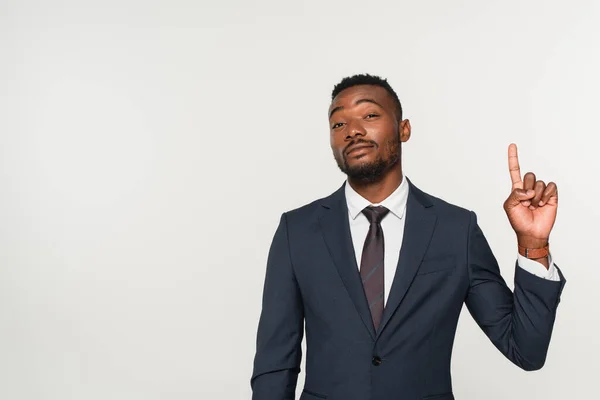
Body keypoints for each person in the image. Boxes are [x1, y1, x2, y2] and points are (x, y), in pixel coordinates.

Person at [250, 74, 565, 400]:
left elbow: (526, 351)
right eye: (338, 124)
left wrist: (533, 245)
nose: (353, 130)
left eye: (369, 115)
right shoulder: (297, 231)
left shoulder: (455, 229)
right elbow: (275, 363)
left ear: (404, 129)